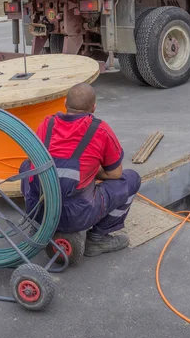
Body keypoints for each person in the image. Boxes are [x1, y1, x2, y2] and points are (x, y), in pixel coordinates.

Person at [21, 83, 141, 257]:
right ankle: (97, 239)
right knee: (131, 179)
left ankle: (38, 226)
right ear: (93, 107)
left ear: (64, 103)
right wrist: (90, 172)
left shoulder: (46, 124)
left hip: (40, 210)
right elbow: (115, 173)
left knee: (26, 166)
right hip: (77, 215)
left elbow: (34, 161)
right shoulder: (101, 130)